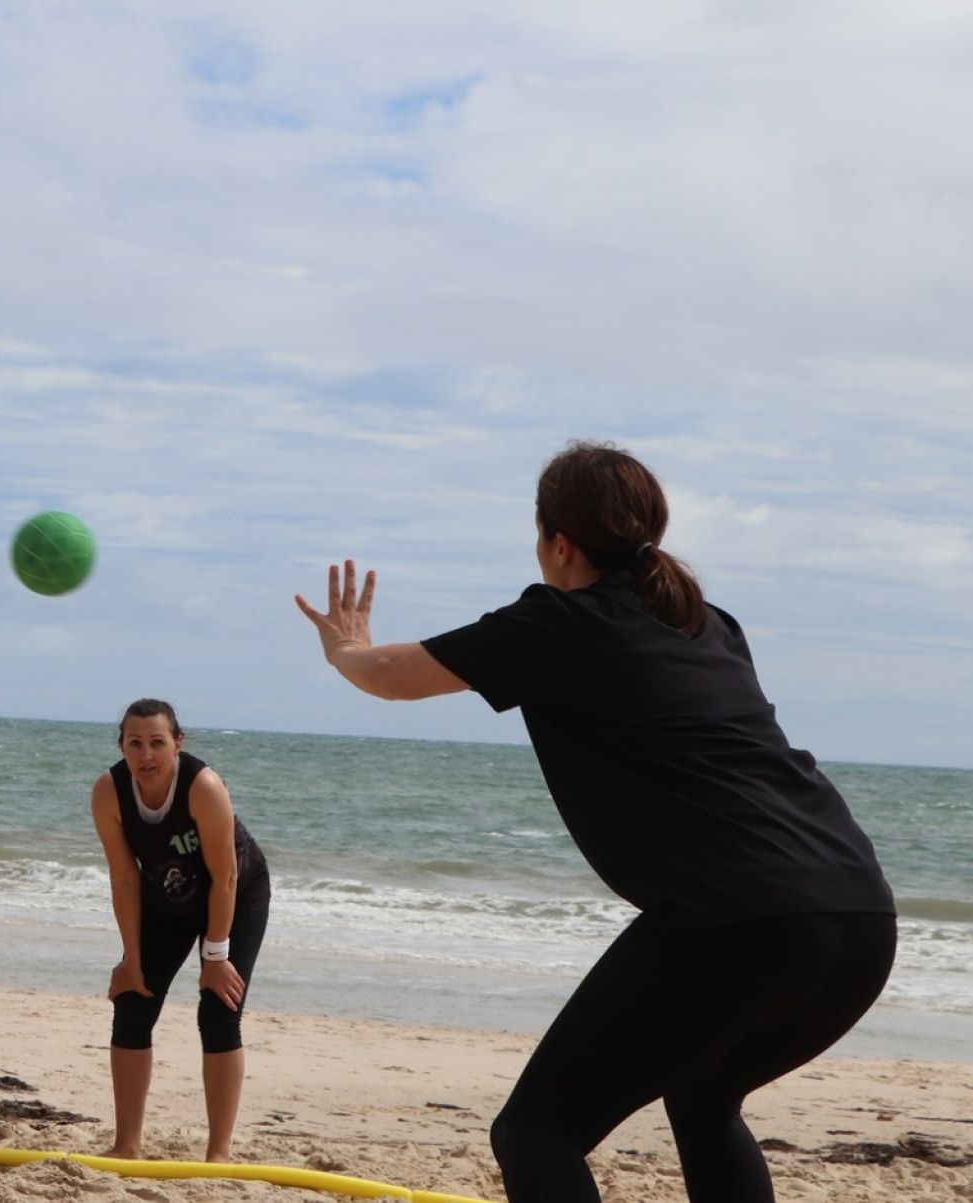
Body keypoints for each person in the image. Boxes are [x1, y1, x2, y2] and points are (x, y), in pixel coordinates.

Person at [294, 440, 896, 1203]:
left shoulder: (558, 623)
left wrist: (346, 647)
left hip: (740, 919)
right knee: (705, 1095)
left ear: (558, 541)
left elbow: (387, 676)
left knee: (536, 1131)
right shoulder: (708, 623)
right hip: (861, 917)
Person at [91, 698, 271, 1163]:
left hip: (236, 893)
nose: (146, 755)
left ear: (177, 744)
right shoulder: (109, 792)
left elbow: (226, 876)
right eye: (135, 744)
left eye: (157, 743)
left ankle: (219, 1154)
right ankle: (126, 1146)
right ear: (122, 747)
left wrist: (215, 957)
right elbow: (125, 879)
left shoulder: (202, 786)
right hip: (167, 901)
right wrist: (131, 959)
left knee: (218, 1012)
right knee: (132, 1003)